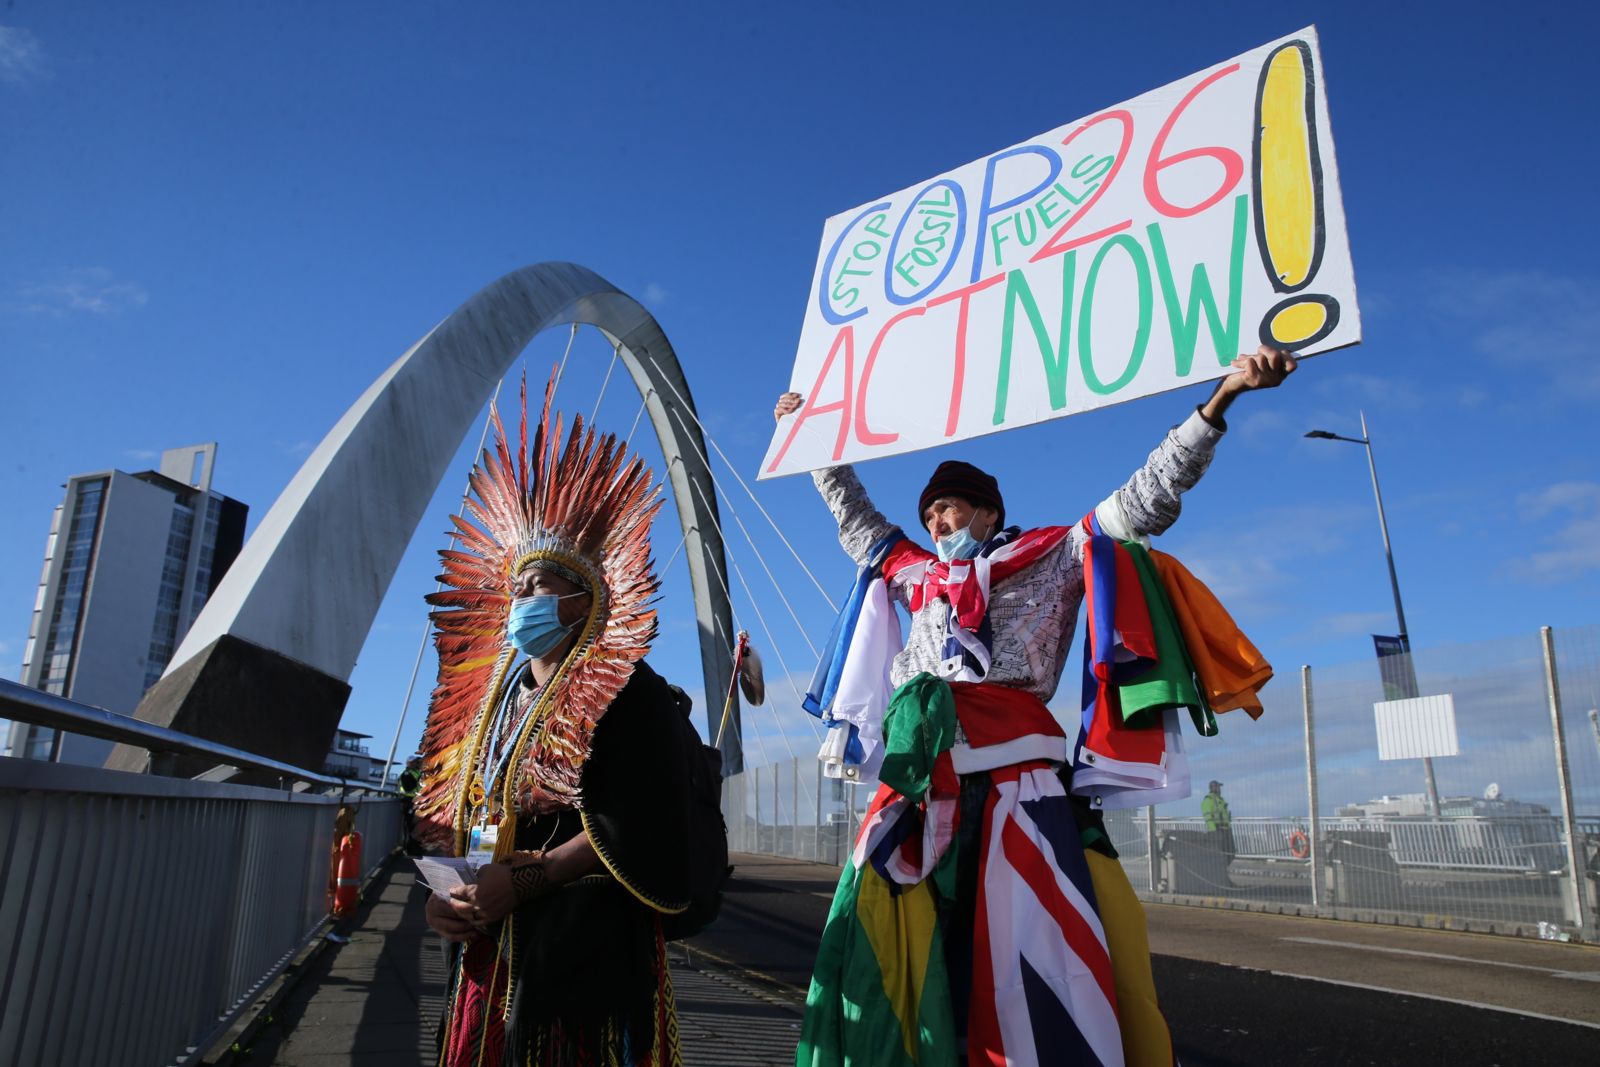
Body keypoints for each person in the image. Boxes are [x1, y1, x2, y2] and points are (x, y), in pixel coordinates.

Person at [777, 345, 1295, 1067]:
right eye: (927, 510)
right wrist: (813, 444)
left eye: (947, 505)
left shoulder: (1054, 556)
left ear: (988, 511)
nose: (934, 519)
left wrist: (1221, 400)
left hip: (1015, 786)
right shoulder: (916, 574)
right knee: (879, 937)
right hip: (918, 784)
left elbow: (1147, 496)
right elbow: (856, 519)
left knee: (1030, 956)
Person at [413, 374, 690, 1067]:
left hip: (584, 953)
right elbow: (449, 804)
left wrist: (529, 877)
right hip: (490, 946)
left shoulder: (632, 692)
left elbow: (643, 820)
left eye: (540, 585)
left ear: (586, 594)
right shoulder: (491, 701)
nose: (522, 601)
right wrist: (444, 900)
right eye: (517, 586)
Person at [1203, 779, 1235, 860]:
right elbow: (1208, 817)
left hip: (1226, 829)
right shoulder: (1208, 800)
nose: (1220, 789)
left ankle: (1225, 867)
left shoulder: (1220, 800)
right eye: (1218, 787)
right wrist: (1213, 831)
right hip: (1218, 830)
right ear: (1214, 788)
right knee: (1221, 853)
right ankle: (1221, 868)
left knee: (1231, 853)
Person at [398, 755, 423, 856]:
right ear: (409, 763)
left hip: (413, 802)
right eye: (415, 762)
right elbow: (409, 787)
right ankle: (409, 849)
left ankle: (412, 847)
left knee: (412, 825)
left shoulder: (415, 773)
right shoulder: (407, 774)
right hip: (408, 802)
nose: (417, 764)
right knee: (409, 826)